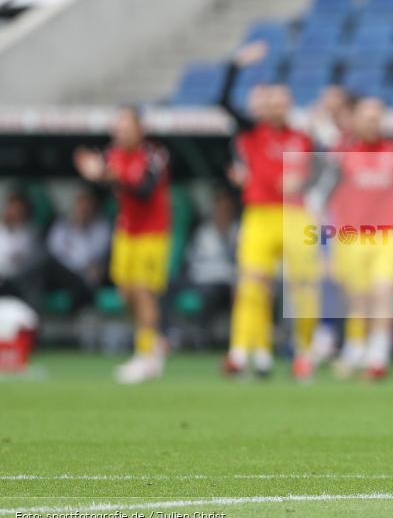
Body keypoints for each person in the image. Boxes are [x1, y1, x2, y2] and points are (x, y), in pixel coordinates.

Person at [219, 41, 321, 380]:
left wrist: (301, 182)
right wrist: (237, 64)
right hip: (260, 214)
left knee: (302, 286)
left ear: (289, 105)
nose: (275, 106)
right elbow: (222, 102)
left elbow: (324, 172)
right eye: (270, 101)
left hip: (294, 215)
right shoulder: (251, 132)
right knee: (252, 283)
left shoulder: (302, 138)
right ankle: (250, 351)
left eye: (281, 101)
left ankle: (304, 351)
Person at [74, 106, 172, 384]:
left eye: (126, 125)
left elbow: (145, 189)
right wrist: (95, 175)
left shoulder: (154, 155)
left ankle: (146, 357)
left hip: (152, 233)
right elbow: (104, 184)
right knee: (126, 292)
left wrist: (110, 174)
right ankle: (153, 341)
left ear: (140, 129)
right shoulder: (112, 154)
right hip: (125, 233)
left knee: (143, 291)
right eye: (117, 125)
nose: (120, 130)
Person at [328, 96, 393, 380]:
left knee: (383, 292)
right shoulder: (341, 151)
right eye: (366, 116)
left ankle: (378, 355)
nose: (371, 122)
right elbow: (325, 188)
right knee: (357, 298)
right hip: (352, 234)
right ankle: (355, 348)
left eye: (376, 117)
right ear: (355, 119)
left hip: (390, 232)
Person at [16, 188, 110, 312]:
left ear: (93, 208)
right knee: (42, 266)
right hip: (60, 273)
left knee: (48, 265)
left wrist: (80, 228)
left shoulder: (101, 228)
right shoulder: (63, 224)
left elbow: (88, 258)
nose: (82, 210)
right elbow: (52, 250)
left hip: (83, 279)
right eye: (80, 205)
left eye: (87, 207)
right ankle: (30, 310)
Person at [184, 188, 239, 323]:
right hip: (204, 278)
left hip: (228, 279)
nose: (223, 210)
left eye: (227, 207)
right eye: (220, 206)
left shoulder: (237, 230)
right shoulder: (204, 231)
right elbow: (191, 259)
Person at [0, 191, 38, 294]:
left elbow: (19, 262)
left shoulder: (29, 233)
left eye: (18, 209)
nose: (13, 212)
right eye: (12, 207)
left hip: (15, 283)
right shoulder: (2, 226)